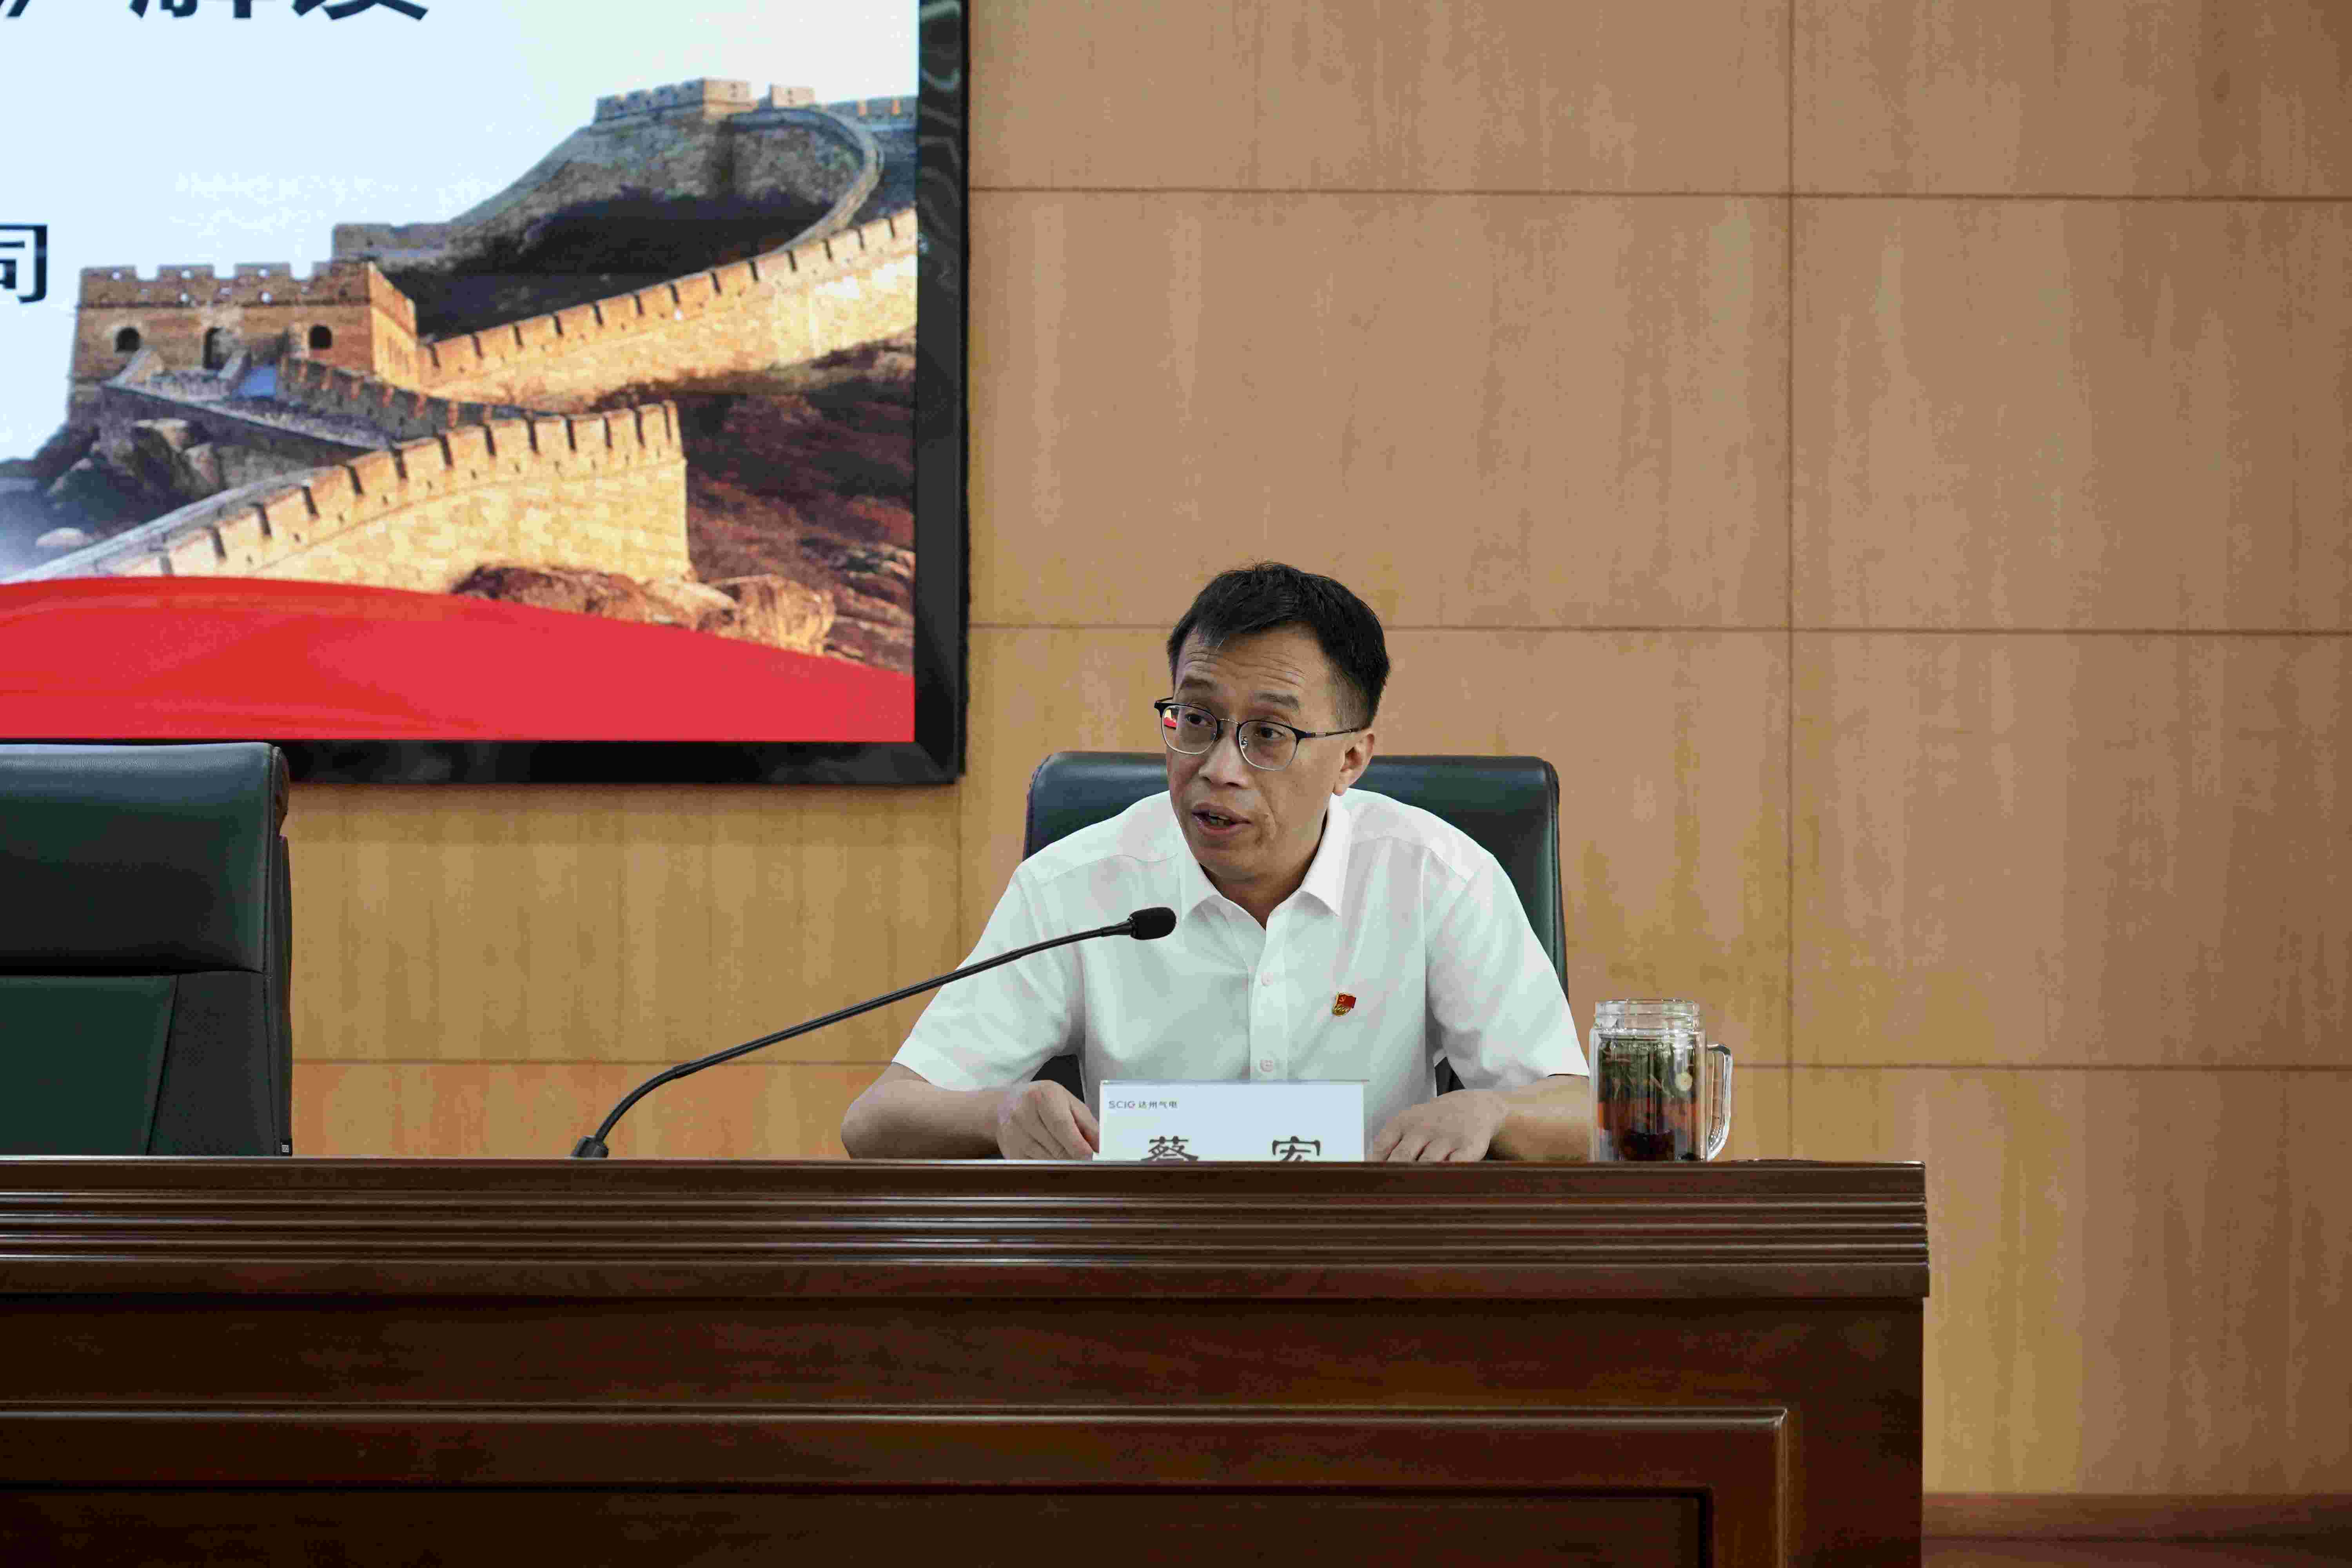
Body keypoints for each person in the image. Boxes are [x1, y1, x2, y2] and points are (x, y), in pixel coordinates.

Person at [840, 563, 1590, 1162]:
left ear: (1351, 760)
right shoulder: (1078, 885)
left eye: (1269, 734)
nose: (1219, 769)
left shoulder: (1437, 877)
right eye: (1196, 719)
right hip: (1138, 1268)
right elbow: (877, 1121)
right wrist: (997, 1113)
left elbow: (1581, 1115)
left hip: (1367, 1267)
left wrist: (1491, 1112)